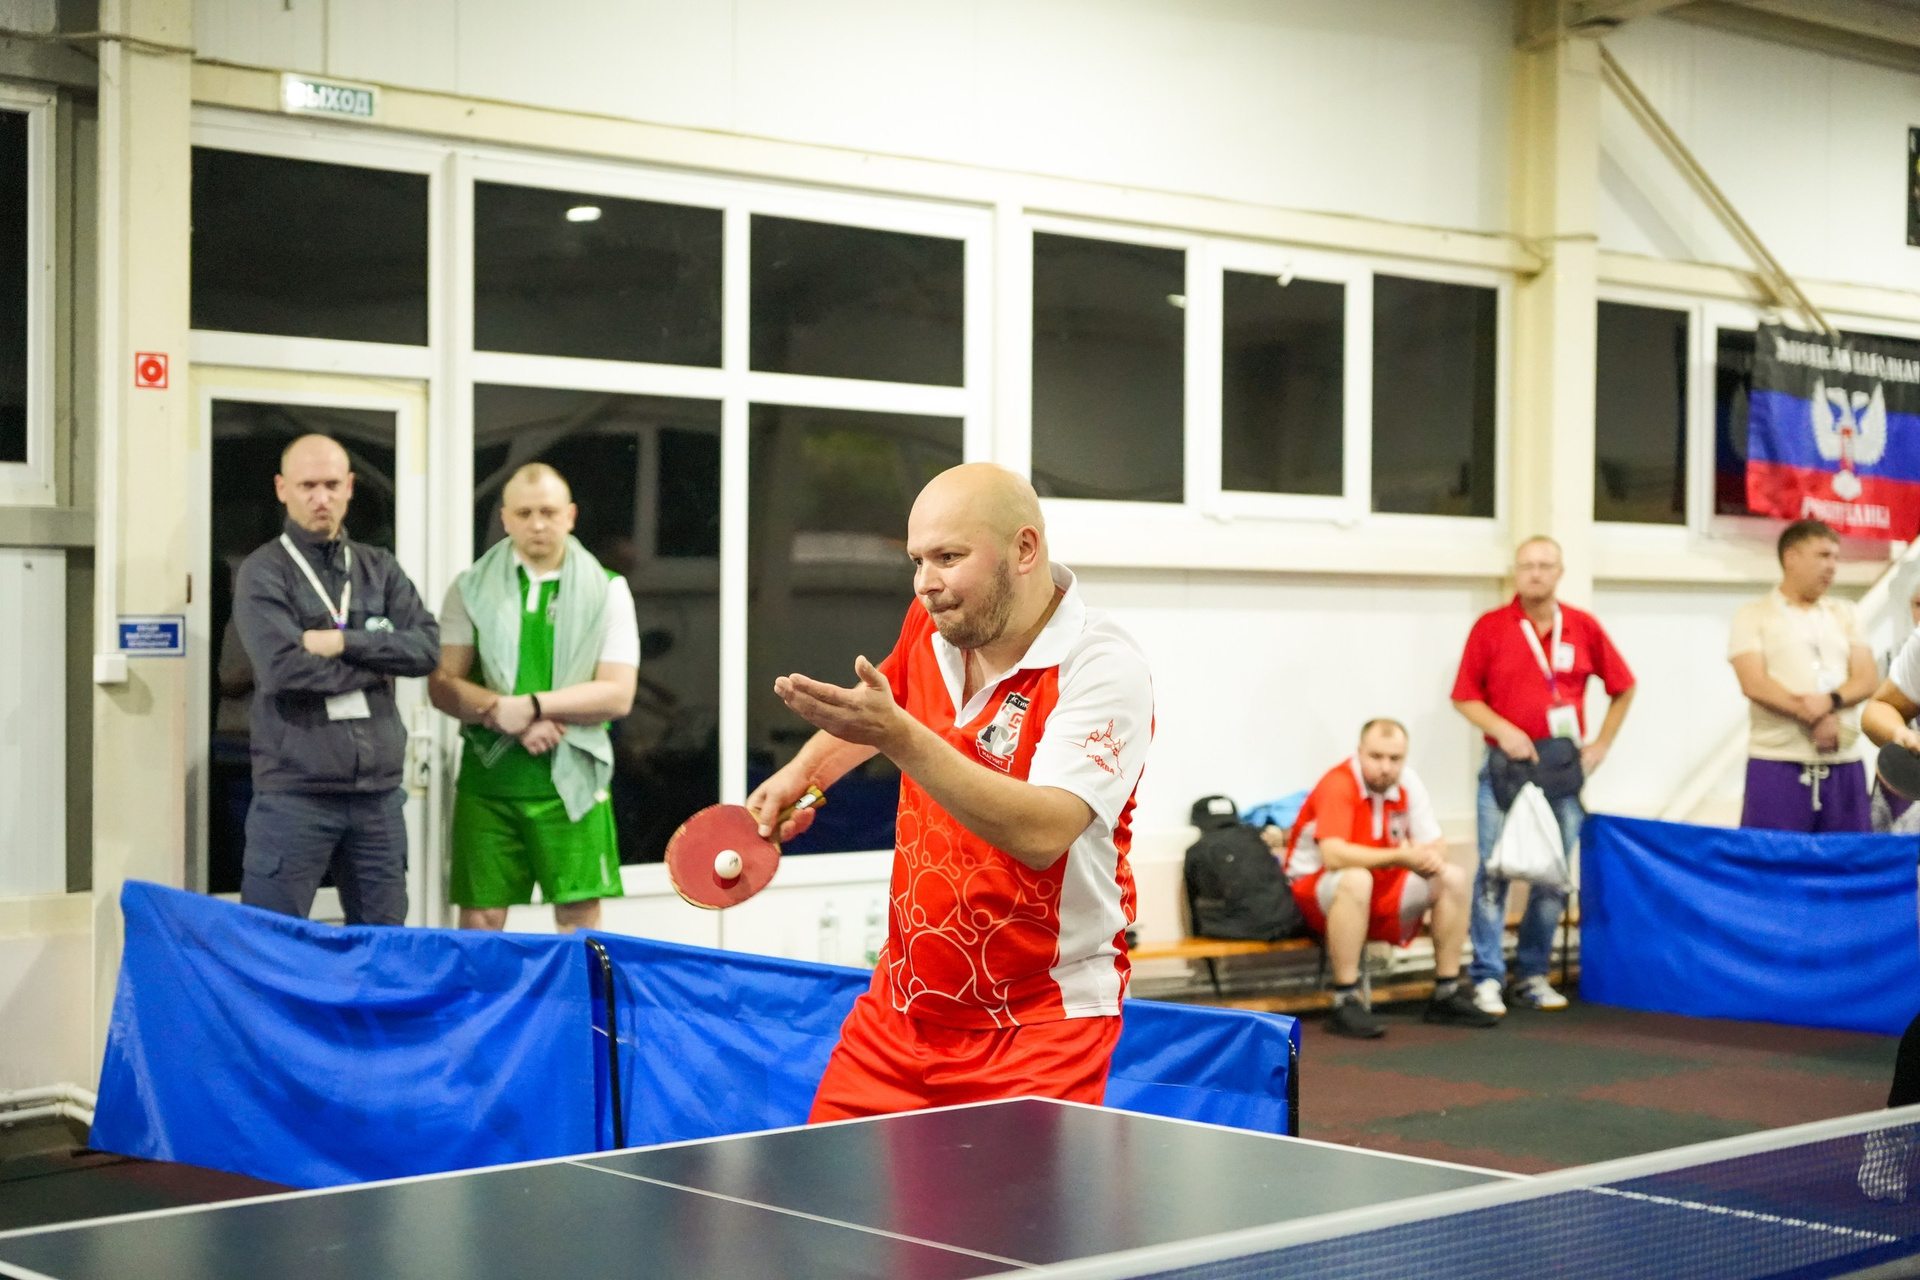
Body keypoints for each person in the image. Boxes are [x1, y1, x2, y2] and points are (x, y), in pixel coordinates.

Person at [749, 463, 1153, 1122]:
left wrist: (899, 738)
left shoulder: (1101, 667)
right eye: (917, 560)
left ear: (1025, 549)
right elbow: (886, 705)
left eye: (948, 558)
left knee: (1006, 1199)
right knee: (827, 1187)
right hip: (899, 1011)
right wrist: (803, 774)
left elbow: (1043, 832)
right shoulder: (934, 623)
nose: (924, 583)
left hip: (1040, 1027)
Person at [233, 434, 439, 925]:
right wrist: (380, 661)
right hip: (295, 795)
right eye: (308, 486)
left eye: (331, 485)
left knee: (384, 944)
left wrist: (342, 642)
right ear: (282, 489)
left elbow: (427, 649)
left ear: (349, 487)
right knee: (271, 941)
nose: (320, 498)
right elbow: (283, 669)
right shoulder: (264, 571)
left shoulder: (378, 568)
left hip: (378, 799)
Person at [429, 464, 638, 933]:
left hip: (573, 779)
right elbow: (442, 684)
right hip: (490, 780)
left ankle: (581, 990)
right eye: (524, 513)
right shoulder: (470, 588)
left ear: (570, 516)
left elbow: (618, 695)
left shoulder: (608, 588)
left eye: (548, 512)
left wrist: (534, 707)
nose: (537, 524)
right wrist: (501, 712)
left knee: (579, 913)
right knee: (481, 916)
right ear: (505, 519)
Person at [1451, 536, 1636, 1017]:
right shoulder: (1491, 627)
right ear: (1516, 572)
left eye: (1544, 565)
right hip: (1505, 766)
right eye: (1527, 565)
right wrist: (1502, 729)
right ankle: (1487, 976)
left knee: (1553, 874)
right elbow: (1465, 696)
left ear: (1559, 572)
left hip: (1561, 768)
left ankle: (1533, 974)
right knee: (1493, 870)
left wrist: (1601, 745)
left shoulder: (1582, 627)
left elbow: (1624, 687)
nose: (1535, 573)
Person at [1283, 720, 1497, 1039]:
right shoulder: (1338, 783)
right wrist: (1400, 856)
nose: (1386, 767)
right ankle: (1345, 999)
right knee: (1356, 879)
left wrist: (1429, 857)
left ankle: (1446, 993)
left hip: (1377, 885)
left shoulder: (1408, 783)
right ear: (1360, 752)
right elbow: (1334, 856)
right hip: (1314, 893)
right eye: (1376, 756)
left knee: (1452, 877)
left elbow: (1436, 843)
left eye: (1395, 758)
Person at [1729, 520, 1876, 834]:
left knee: (1848, 857)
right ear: (1791, 558)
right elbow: (1753, 683)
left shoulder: (1847, 613)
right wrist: (1810, 715)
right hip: (1777, 760)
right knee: (1772, 857)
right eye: (1823, 555)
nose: (1832, 566)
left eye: (1836, 557)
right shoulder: (1753, 614)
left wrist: (1829, 702)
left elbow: (1866, 678)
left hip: (1843, 763)